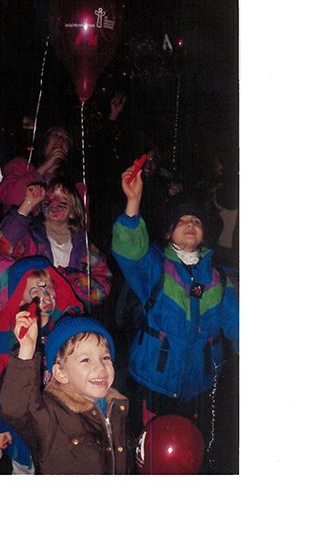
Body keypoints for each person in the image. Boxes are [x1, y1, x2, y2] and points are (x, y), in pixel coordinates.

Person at [112, 166, 239, 473]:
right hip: (153, 382)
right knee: (150, 452)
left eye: (196, 221)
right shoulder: (155, 266)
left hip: (198, 384)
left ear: (205, 232)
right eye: (182, 221)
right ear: (169, 232)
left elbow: (237, 323)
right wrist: (133, 203)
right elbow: (130, 251)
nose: (190, 225)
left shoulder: (219, 279)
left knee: (188, 453)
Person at [0, 255, 84, 473]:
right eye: (35, 290)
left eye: (48, 287)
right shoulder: (1, 342)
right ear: (18, 297)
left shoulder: (67, 333)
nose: (44, 295)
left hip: (60, 429)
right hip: (22, 430)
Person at [0, 315, 132, 474]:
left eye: (105, 357)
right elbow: (15, 408)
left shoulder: (118, 408)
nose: (101, 367)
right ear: (61, 373)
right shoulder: (51, 416)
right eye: (85, 360)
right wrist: (27, 349)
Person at [0, 180, 111, 307]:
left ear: (73, 211)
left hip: (71, 320)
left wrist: (61, 278)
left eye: (62, 199)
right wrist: (28, 203)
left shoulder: (85, 247)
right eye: (49, 198)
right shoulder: (28, 238)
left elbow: (101, 291)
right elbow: (1, 246)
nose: (54, 202)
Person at [0, 125, 74, 213]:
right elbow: (12, 199)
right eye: (55, 135)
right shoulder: (20, 165)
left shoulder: (72, 181)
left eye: (65, 138)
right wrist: (43, 168)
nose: (60, 140)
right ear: (44, 143)